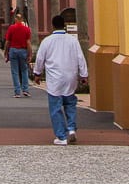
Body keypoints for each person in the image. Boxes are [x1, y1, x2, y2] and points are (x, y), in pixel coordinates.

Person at [32, 13, 88, 146]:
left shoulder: (47, 41)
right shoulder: (73, 41)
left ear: (53, 26)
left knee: (56, 108)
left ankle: (61, 136)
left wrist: (37, 73)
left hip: (54, 79)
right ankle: (72, 128)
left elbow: (40, 59)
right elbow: (80, 57)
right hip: (70, 77)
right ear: (64, 25)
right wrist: (84, 74)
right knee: (70, 104)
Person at [3, 10, 33, 98]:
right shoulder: (26, 29)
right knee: (24, 70)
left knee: (15, 72)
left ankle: (17, 92)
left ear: (16, 19)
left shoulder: (11, 28)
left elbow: (7, 42)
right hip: (23, 51)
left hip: (13, 51)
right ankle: (25, 90)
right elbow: (28, 43)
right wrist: (30, 54)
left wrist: (6, 52)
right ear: (22, 20)